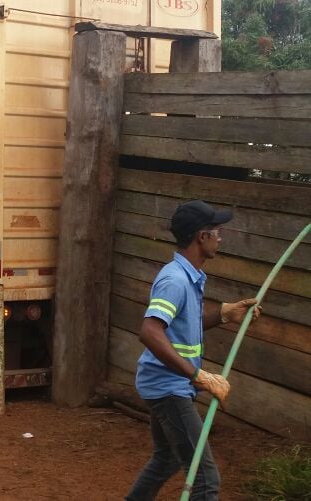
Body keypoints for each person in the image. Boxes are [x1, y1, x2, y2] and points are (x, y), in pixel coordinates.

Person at [126, 201, 261, 501]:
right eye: (217, 232)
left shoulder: (188, 276)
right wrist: (198, 375)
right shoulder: (175, 280)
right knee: (205, 481)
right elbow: (150, 331)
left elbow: (179, 326)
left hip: (166, 384)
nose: (220, 238)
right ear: (202, 237)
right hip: (168, 388)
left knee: (167, 458)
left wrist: (224, 315)